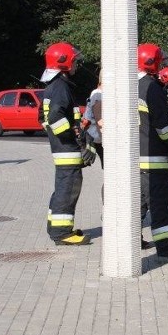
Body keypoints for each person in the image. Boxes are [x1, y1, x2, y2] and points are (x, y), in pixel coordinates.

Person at [40, 42, 90, 246]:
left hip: (60, 149)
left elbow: (42, 118)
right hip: (67, 149)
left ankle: (55, 228)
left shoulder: (52, 86)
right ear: (64, 61)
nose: (76, 63)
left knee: (62, 188)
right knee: (68, 190)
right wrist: (74, 136)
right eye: (74, 60)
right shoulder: (60, 87)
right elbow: (54, 118)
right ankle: (62, 233)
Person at [138, 43, 168, 257]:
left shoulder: (130, 86)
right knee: (160, 205)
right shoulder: (152, 88)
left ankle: (131, 240)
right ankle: (167, 247)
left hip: (135, 159)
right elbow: (164, 127)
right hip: (154, 159)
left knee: (140, 204)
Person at [83, 71, 104, 168]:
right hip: (98, 137)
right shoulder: (98, 96)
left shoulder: (96, 94)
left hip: (95, 137)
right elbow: (100, 122)